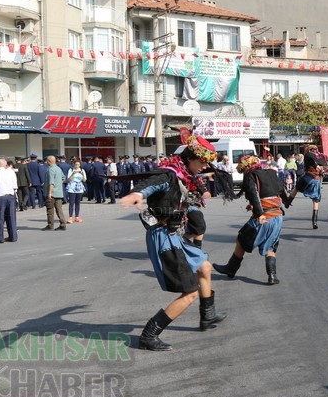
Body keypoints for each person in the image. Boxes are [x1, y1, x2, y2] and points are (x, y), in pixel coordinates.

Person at [120, 135, 227, 351]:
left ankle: (207, 316)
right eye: (202, 162)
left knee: (205, 268)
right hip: (163, 238)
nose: (205, 167)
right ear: (190, 159)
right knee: (189, 293)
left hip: (176, 235)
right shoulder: (169, 174)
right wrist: (136, 195)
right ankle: (149, 335)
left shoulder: (184, 175)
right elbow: (149, 184)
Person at [213, 155, 285, 285]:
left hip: (264, 216)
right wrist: (287, 200)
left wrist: (259, 212)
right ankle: (272, 276)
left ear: (245, 167)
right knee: (271, 246)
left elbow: (254, 194)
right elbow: (279, 190)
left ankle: (231, 268)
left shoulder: (251, 175)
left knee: (241, 238)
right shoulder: (272, 172)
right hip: (277, 216)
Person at [282, 144, 328, 229]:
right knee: (315, 200)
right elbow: (322, 163)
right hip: (316, 180)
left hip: (308, 178)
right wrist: (321, 168)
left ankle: (288, 203)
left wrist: (316, 166)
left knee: (296, 189)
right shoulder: (320, 156)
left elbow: (312, 160)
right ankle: (314, 222)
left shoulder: (309, 154)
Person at [0, 158, 18, 243]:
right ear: (5, 165)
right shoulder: (11, 173)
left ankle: (0, 238)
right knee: (11, 217)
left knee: (0, 217)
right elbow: (15, 186)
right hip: (10, 196)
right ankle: (13, 237)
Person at [42, 155, 67, 231]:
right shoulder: (58, 169)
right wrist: (58, 184)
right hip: (59, 193)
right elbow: (63, 177)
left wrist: (49, 193)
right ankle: (63, 224)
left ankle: (50, 225)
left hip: (52, 193)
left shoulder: (50, 170)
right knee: (59, 209)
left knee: (50, 210)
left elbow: (51, 183)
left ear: (49, 161)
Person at [66, 158, 87, 223]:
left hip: (79, 187)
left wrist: (82, 174)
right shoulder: (71, 170)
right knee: (71, 203)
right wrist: (73, 174)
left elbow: (84, 180)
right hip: (72, 187)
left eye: (78, 164)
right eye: (75, 164)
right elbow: (68, 179)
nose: (77, 165)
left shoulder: (82, 170)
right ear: (73, 164)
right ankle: (70, 217)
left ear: (80, 165)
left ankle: (77, 216)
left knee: (77, 203)